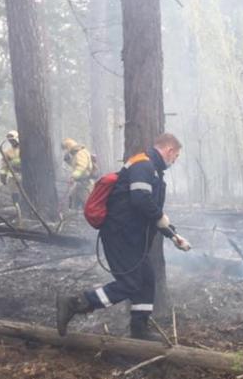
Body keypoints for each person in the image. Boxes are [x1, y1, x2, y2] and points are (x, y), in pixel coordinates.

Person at [56, 133, 191, 340]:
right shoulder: (143, 166)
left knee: (146, 280)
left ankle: (140, 330)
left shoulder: (152, 170)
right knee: (130, 283)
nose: (175, 161)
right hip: (120, 234)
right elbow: (140, 200)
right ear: (169, 150)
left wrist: (172, 235)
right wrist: (161, 218)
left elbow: (150, 209)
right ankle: (76, 303)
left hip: (132, 237)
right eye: (176, 156)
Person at [61, 137, 94, 210]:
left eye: (66, 149)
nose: (66, 151)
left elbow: (81, 167)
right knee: (73, 201)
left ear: (68, 147)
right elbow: (77, 165)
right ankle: (74, 217)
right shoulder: (78, 153)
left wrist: (73, 176)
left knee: (87, 204)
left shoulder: (80, 153)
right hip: (80, 183)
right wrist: (69, 161)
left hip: (85, 184)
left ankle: (82, 218)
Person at [0, 130, 22, 212]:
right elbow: (4, 165)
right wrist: (3, 175)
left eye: (13, 140)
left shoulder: (24, 148)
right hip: (13, 175)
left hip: (24, 175)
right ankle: (17, 208)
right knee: (14, 192)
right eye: (10, 140)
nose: (12, 142)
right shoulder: (8, 152)